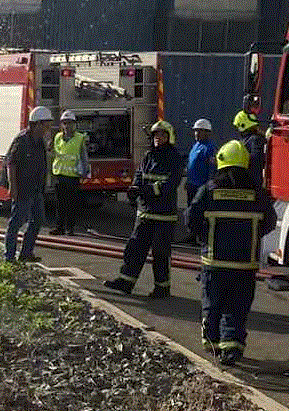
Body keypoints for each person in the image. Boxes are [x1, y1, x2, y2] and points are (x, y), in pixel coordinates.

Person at [186, 139, 277, 366]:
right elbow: (270, 223)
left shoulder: (209, 190)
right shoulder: (259, 194)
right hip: (245, 265)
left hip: (214, 262)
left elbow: (191, 218)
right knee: (237, 308)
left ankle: (213, 343)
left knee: (212, 304)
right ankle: (232, 348)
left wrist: (202, 237)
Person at [104, 120, 183, 299]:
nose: (158, 138)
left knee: (160, 253)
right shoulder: (149, 156)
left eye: (162, 135)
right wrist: (134, 188)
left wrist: (147, 190)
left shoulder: (174, 157)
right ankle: (125, 282)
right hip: (145, 213)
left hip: (164, 215)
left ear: (169, 137)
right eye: (156, 135)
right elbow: (140, 174)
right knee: (134, 248)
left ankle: (162, 288)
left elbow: (171, 184)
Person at [0, 106, 54, 264]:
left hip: (36, 188)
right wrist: (12, 187)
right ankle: (9, 256)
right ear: (37, 124)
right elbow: (11, 164)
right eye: (46, 125)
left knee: (37, 220)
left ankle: (26, 253)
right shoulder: (22, 140)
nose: (48, 129)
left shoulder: (40, 142)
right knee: (16, 222)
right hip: (23, 189)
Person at [48, 110, 90, 236]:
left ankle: (69, 228)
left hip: (73, 176)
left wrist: (85, 171)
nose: (67, 126)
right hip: (59, 175)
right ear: (61, 125)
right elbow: (53, 154)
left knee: (71, 204)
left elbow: (83, 156)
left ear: (74, 124)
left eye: (70, 123)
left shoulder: (80, 138)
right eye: (65, 123)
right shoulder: (57, 137)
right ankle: (59, 227)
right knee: (60, 204)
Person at [183, 118, 215, 237]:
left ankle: (198, 236)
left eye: (200, 131)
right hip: (192, 184)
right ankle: (191, 234)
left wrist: (208, 186)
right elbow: (192, 164)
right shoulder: (195, 146)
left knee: (198, 212)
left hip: (201, 187)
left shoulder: (210, 148)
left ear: (207, 132)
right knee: (190, 211)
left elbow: (212, 169)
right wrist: (187, 180)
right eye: (196, 131)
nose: (196, 134)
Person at [233, 103, 266, 183]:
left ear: (242, 125)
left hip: (251, 182)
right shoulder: (256, 138)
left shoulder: (254, 140)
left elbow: (255, 164)